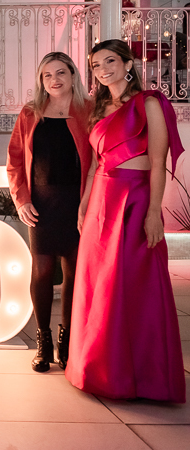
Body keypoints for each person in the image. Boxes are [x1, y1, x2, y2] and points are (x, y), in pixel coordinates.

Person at [67, 39, 186, 403]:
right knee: (100, 285)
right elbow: (96, 164)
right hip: (101, 201)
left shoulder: (149, 103)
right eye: (96, 65)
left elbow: (157, 163)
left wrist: (154, 212)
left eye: (110, 61)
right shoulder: (99, 108)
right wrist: (84, 204)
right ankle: (99, 369)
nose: (103, 70)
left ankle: (146, 377)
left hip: (134, 200)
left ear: (128, 64)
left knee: (136, 283)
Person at [7, 52, 92, 372]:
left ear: (73, 76)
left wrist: (90, 202)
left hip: (78, 202)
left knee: (73, 273)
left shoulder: (90, 111)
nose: (54, 80)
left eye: (61, 73)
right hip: (41, 203)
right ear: (41, 81)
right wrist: (21, 200)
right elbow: (15, 161)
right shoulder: (30, 113)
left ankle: (66, 342)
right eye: (47, 75)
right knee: (42, 271)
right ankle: (42, 342)